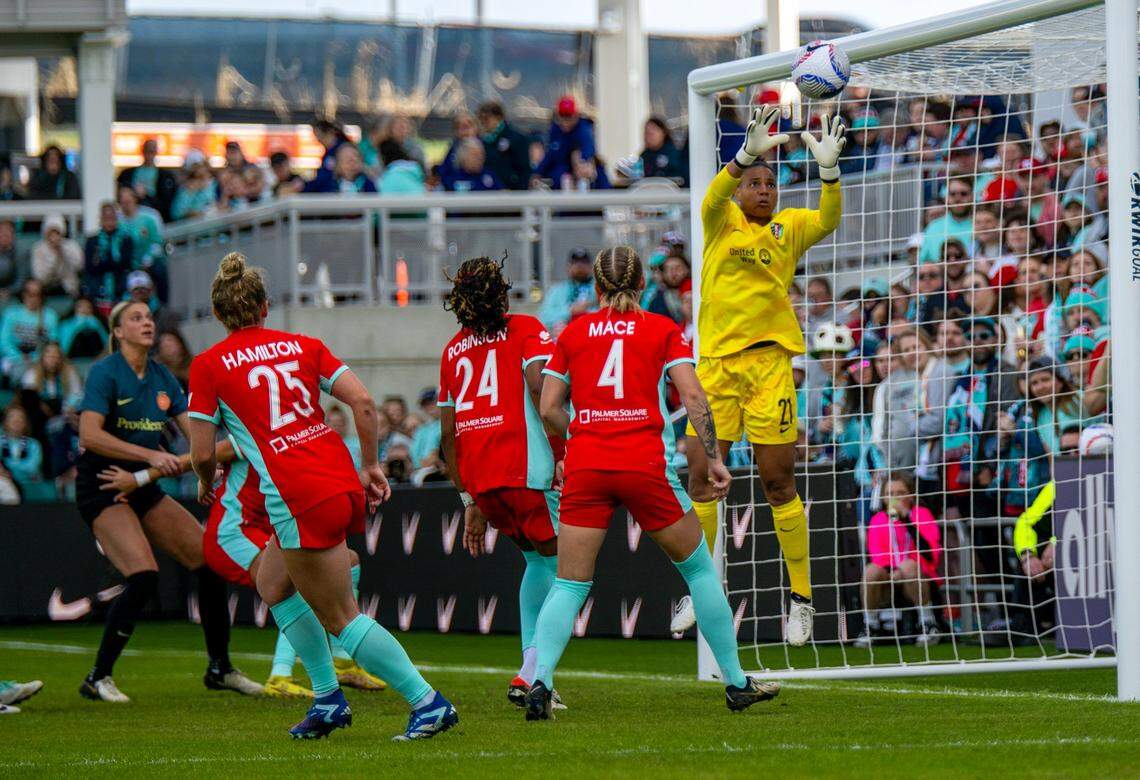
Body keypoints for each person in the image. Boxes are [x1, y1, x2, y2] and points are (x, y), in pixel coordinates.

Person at [187, 252, 457, 740]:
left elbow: (203, 451)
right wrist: (371, 465)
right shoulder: (302, 345)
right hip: (335, 474)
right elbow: (363, 401)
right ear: (266, 306)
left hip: (295, 492)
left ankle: (427, 702)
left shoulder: (208, 365)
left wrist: (206, 482)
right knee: (275, 586)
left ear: (219, 313)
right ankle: (328, 698)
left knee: (341, 618)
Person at [529, 245, 778, 720]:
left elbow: (548, 407)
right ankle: (736, 683)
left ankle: (539, 684)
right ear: (643, 284)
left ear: (598, 288)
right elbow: (693, 396)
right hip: (645, 464)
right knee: (700, 571)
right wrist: (714, 459)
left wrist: (581, 430)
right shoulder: (662, 329)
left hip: (588, 466)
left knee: (569, 584)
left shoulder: (574, 332)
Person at [676, 105, 846, 645]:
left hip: (771, 367)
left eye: (771, 182)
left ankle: (801, 599)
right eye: (754, 182)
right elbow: (710, 196)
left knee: (777, 482)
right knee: (701, 479)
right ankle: (699, 592)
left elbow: (828, 220)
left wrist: (829, 172)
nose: (764, 190)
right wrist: (743, 155)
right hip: (715, 372)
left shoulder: (787, 227)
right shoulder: (718, 221)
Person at [74, 300, 260, 702]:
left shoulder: (162, 377)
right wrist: (150, 456)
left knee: (209, 563)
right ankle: (98, 677)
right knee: (143, 576)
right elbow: (89, 436)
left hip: (142, 484)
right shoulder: (105, 373)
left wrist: (213, 460)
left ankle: (220, 668)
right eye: (135, 318)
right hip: (104, 485)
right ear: (118, 331)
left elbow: (195, 436)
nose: (147, 323)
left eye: (148, 317)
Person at [97, 446, 386, 698]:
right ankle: (281, 675)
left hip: (263, 529)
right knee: (298, 581)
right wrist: (142, 478)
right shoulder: (251, 429)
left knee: (348, 560)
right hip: (232, 534)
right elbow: (201, 455)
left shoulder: (292, 432)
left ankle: (343, 663)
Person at [438, 256, 566, 707]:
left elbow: (447, 435)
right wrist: (563, 449)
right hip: (528, 469)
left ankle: (532, 668)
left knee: (537, 564)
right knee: (567, 573)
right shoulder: (526, 328)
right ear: (502, 292)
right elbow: (539, 387)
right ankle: (535, 677)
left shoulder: (452, 350)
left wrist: (468, 498)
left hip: (484, 481)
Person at [852, 472, 943, 647]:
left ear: (910, 495)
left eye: (900, 493)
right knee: (871, 571)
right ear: (884, 497)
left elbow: (931, 554)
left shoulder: (921, 514)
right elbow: (877, 555)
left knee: (909, 566)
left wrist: (907, 520)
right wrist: (893, 572)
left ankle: (928, 624)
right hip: (889, 579)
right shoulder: (878, 520)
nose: (895, 498)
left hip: (918, 578)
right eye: (890, 494)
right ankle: (870, 626)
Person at [1, 280, 59, 384]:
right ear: (24, 294)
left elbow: (53, 342)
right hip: (13, 358)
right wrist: (19, 356)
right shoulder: (11, 313)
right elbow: (4, 341)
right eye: (29, 293)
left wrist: (36, 358)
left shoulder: (50, 316)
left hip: (40, 360)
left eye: (37, 294)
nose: (33, 298)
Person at [533, 95, 597, 189]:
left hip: (580, 174)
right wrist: (538, 173)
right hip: (560, 174)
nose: (565, 122)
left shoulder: (583, 129)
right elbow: (550, 155)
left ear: (576, 116)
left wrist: (581, 165)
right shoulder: (556, 130)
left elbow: (587, 150)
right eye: (562, 117)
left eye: (568, 117)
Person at [538, 248, 598, 334]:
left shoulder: (598, 288)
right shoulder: (557, 290)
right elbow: (544, 317)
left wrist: (587, 311)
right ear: (568, 267)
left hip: (591, 334)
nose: (579, 267)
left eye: (584, 263)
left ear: (591, 267)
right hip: (564, 335)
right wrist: (570, 311)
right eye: (575, 263)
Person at [84, 202, 134, 305]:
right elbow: (91, 266)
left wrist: (107, 263)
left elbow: (125, 263)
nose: (109, 222)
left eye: (112, 218)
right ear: (101, 219)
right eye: (106, 218)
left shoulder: (125, 239)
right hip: (99, 279)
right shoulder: (93, 241)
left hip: (119, 278)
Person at [476, 101, 532, 191]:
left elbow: (524, 169)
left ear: (498, 117)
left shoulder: (516, 138)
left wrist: (520, 191)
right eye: (480, 119)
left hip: (512, 190)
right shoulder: (481, 140)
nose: (483, 122)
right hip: (489, 190)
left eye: (486, 118)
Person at [117, 139, 178, 221]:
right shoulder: (127, 173)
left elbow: (167, 202)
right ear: (143, 151)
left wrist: (146, 195)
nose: (149, 154)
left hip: (155, 213)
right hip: (131, 215)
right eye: (147, 150)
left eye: (152, 151)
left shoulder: (165, 176)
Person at [31, 214, 83, 297]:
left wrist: (63, 251)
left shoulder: (71, 246)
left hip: (69, 289)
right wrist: (54, 257)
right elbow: (40, 276)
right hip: (47, 288)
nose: (54, 236)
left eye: (57, 233)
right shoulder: (38, 249)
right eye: (51, 232)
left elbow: (79, 266)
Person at [638, 116, 685, 181]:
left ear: (663, 133)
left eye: (652, 133)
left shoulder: (673, 154)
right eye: (646, 133)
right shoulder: (644, 155)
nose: (648, 137)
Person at [0, 219, 27, 296]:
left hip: (14, 292)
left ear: (13, 235)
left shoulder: (21, 252)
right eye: (1, 232)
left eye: (8, 232)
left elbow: (21, 280)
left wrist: (9, 291)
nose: (4, 235)